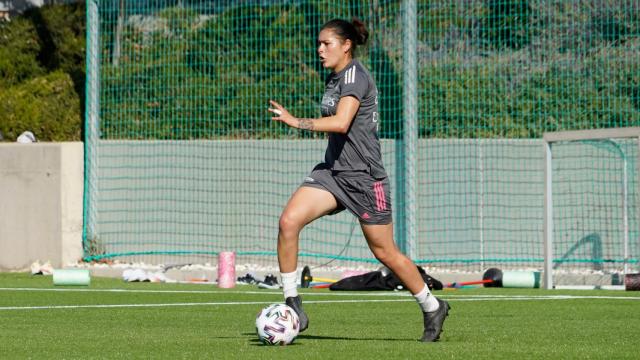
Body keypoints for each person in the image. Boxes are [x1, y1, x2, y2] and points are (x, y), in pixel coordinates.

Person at [268, 18, 450, 342]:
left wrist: (297, 122)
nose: (320, 49)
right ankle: (293, 304)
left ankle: (432, 305)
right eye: (319, 43)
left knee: (385, 252)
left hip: (366, 180)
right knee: (287, 222)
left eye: (327, 43)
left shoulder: (356, 76)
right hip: (333, 173)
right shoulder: (334, 78)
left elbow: (341, 123)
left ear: (346, 45)